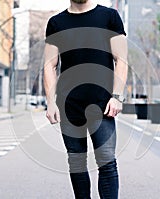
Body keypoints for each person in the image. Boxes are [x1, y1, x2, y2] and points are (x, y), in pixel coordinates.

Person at [43, 0, 127, 198]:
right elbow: (49, 65)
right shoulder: (56, 22)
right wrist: (50, 102)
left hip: (102, 103)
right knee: (76, 162)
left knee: (106, 160)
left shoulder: (109, 17)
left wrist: (117, 96)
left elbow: (121, 60)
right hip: (69, 104)